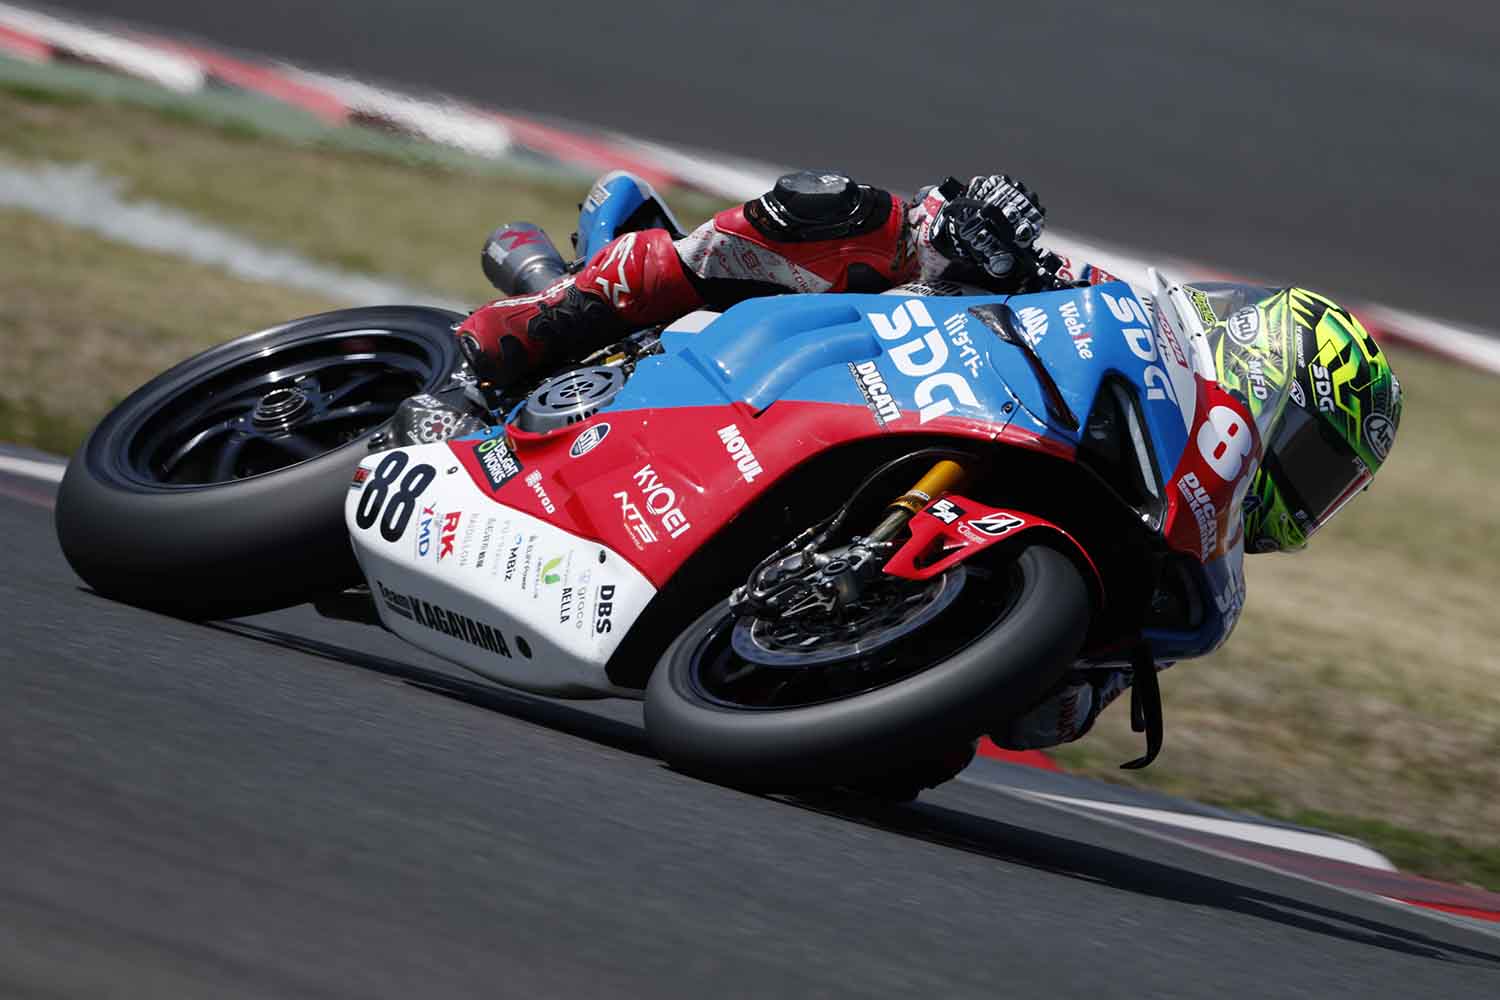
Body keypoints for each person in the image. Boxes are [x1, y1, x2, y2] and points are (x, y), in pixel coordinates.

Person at [454, 170, 1403, 753]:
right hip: (843, 365)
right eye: (1313, 459)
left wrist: (1047, 675)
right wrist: (982, 226)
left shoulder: (1204, 591)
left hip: (834, 710)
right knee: (847, 210)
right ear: (1269, 370)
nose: (1305, 497)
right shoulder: (1128, 318)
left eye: (1331, 490)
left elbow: (1046, 721)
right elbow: (977, 234)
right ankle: (534, 329)